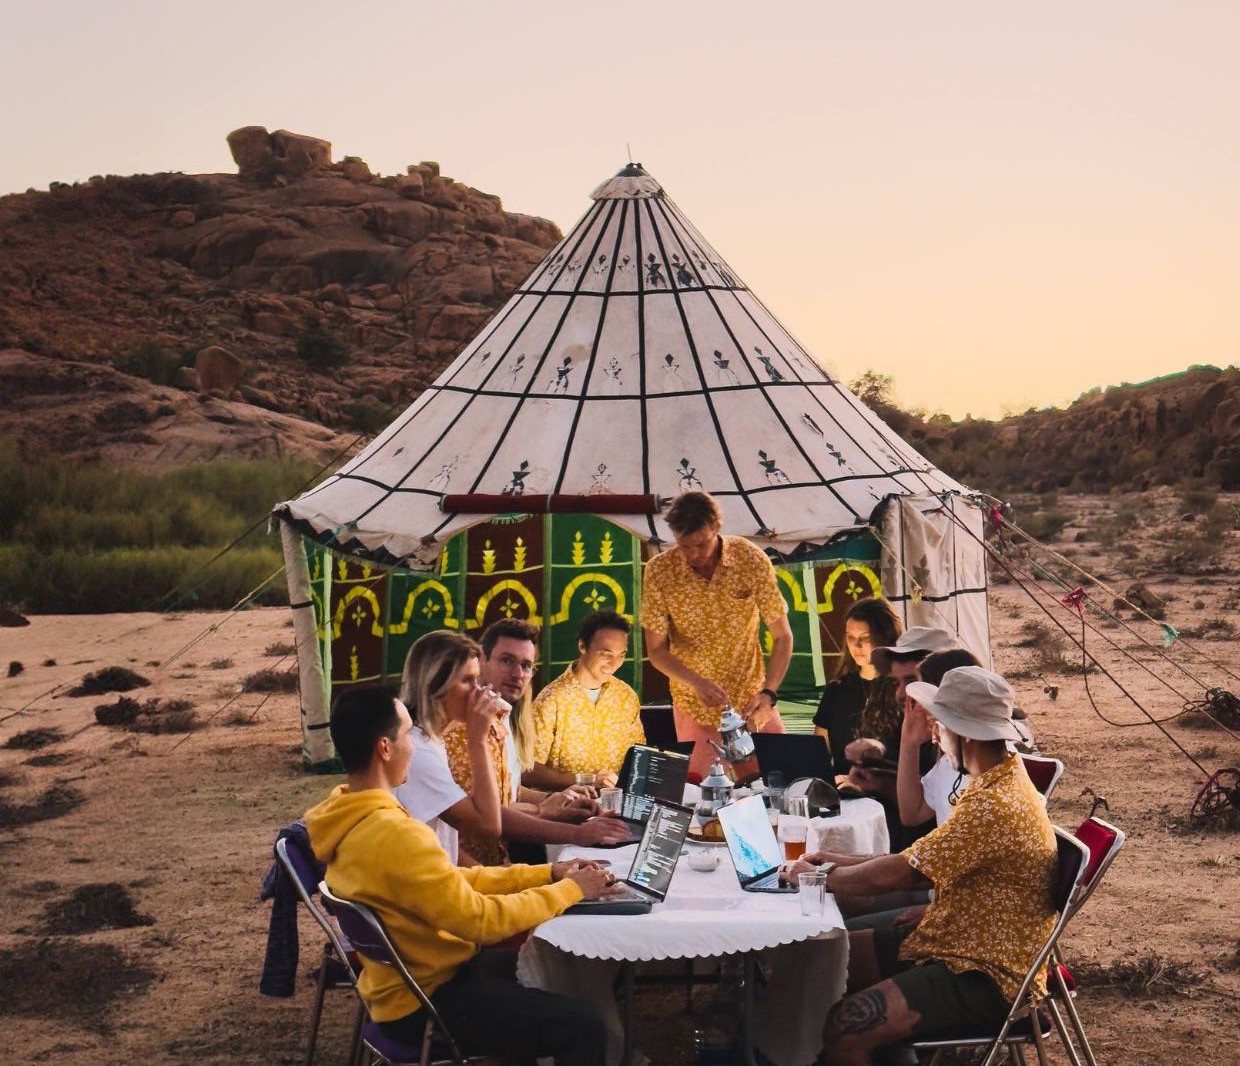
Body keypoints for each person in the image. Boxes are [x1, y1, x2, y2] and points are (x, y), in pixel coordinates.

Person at [305, 684, 610, 1065]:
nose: (413, 746)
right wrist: (570, 890)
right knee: (583, 1025)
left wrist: (548, 873)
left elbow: (456, 882)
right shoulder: (395, 833)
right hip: (429, 1002)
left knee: (551, 960)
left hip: (401, 990)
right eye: (406, 735)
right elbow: (479, 921)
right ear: (385, 748)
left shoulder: (350, 814)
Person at [787, 667, 1058, 1064]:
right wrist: (834, 862)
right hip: (956, 940)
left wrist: (823, 877)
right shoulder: (996, 779)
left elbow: (901, 873)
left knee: (845, 1025)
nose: (935, 733)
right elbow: (917, 858)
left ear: (962, 733)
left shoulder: (994, 803)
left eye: (940, 725)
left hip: (985, 971)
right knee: (826, 959)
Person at [394, 631, 630, 866]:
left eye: (526, 665)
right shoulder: (422, 749)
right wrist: (478, 740)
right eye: (467, 681)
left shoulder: (437, 740)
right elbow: (489, 823)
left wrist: (552, 809)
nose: (477, 690)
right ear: (436, 684)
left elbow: (451, 842)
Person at [641, 490, 793, 777]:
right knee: (704, 798)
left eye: (701, 544)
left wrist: (769, 693)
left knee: (782, 782)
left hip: (752, 700)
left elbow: (783, 636)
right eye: (684, 546)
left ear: (717, 528)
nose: (693, 555)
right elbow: (657, 651)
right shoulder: (659, 572)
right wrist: (696, 683)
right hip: (694, 705)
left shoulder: (750, 559)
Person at [480, 618, 596, 824]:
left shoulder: (506, 715)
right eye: (507, 661)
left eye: (526, 665)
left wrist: (557, 798)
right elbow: (489, 813)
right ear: (482, 660)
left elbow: (508, 790)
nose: (517, 674)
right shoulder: (469, 724)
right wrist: (543, 810)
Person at [527, 611, 645, 790]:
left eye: (621, 655)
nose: (614, 664)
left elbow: (639, 759)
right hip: (565, 809)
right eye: (606, 654)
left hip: (616, 806)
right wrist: (586, 780)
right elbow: (529, 770)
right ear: (582, 646)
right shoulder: (551, 700)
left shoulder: (626, 697)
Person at [813, 597, 902, 781]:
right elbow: (820, 753)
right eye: (850, 637)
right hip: (844, 798)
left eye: (865, 638)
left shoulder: (901, 690)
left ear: (885, 637)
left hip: (890, 797)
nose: (856, 645)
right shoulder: (837, 690)